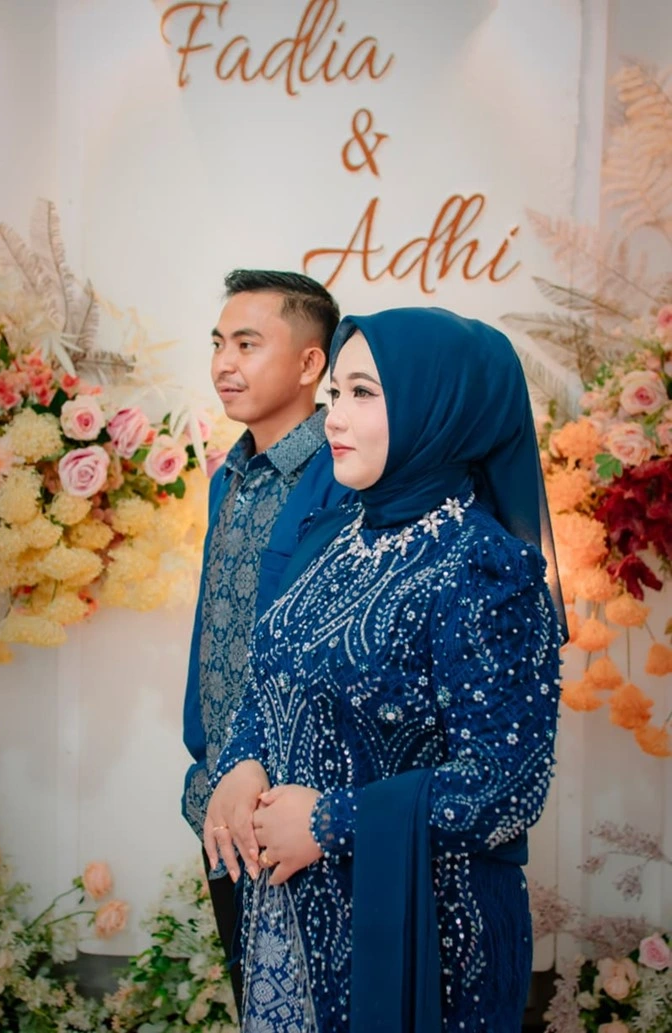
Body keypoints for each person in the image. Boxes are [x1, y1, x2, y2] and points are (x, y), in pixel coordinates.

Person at [205, 306, 565, 1033]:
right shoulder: (330, 536)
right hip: (291, 923)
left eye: (364, 394)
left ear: (442, 409)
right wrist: (243, 759)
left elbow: (507, 785)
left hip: (424, 939)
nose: (334, 417)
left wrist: (329, 821)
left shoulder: (484, 569)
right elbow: (270, 679)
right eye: (335, 393)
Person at [182, 269, 354, 1014]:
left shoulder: (344, 474)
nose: (225, 363)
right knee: (255, 1002)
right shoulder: (230, 473)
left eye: (247, 344)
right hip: (218, 791)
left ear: (312, 363)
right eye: (219, 343)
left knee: (316, 1008)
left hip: (296, 810)